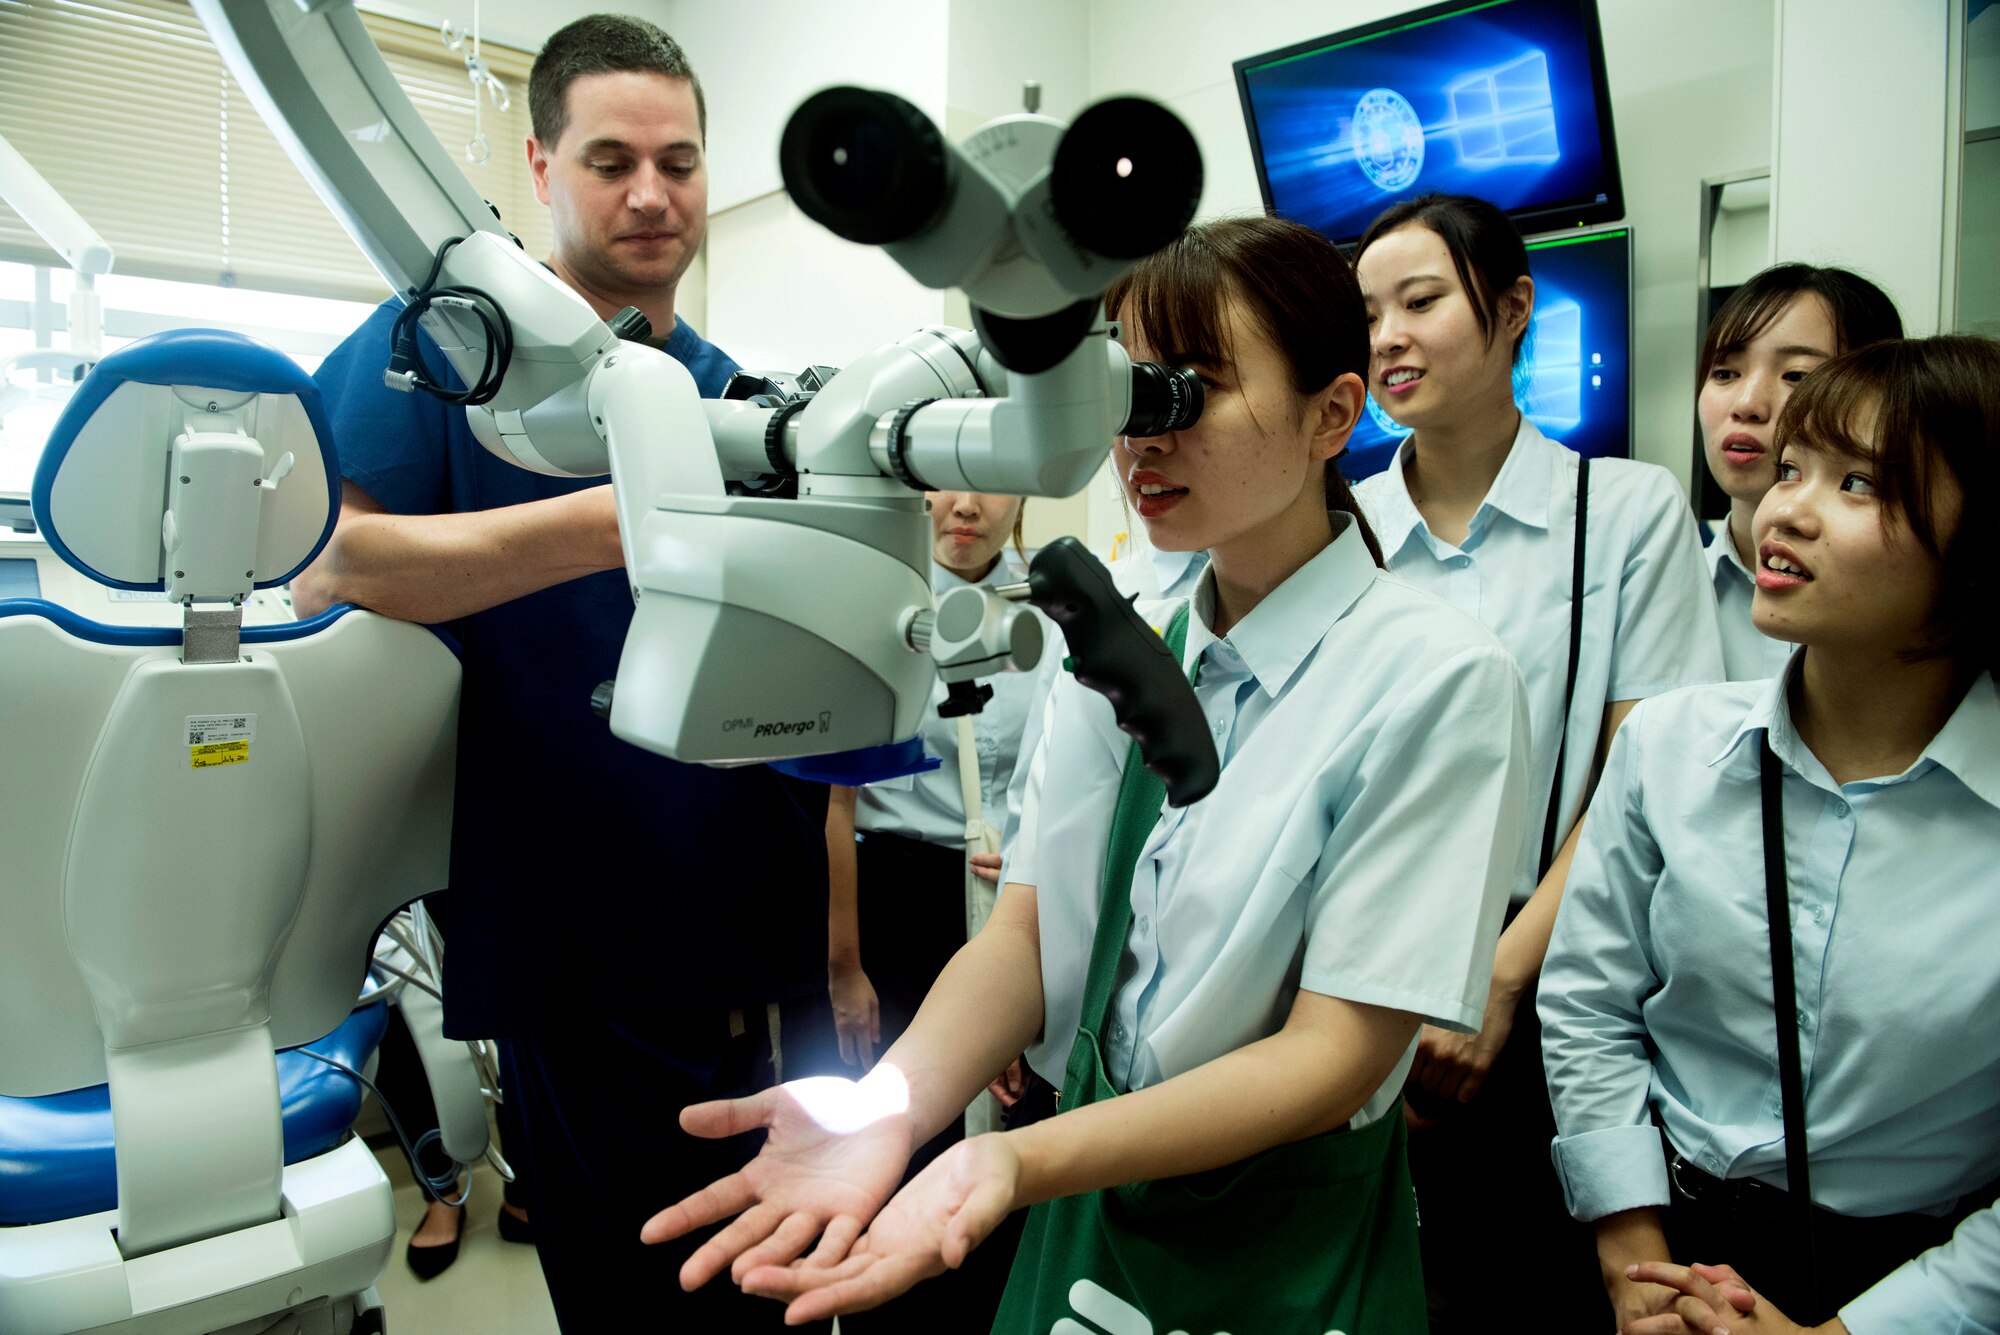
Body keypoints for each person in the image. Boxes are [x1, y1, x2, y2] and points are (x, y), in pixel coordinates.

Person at [640, 215, 1534, 1334]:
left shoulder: (1435, 680)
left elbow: (1331, 1059)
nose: (1137, 441)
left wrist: (1015, 1165)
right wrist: (889, 1111)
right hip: (1091, 1183)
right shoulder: (1121, 637)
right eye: (1123, 397)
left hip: (1274, 1220)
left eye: (1188, 392)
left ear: (1331, 413)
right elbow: (1025, 935)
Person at [291, 16, 832, 1329]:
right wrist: (607, 520)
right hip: (578, 925)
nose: (653, 192)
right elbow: (330, 560)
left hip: (753, 931)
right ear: (541, 167)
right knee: (643, 1288)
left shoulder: (726, 388)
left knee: (775, 1282)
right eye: (611, 160)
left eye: (681, 161)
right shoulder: (445, 348)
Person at [1540, 334, 2000, 1334]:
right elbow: (1587, 1002)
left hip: (1906, 1281)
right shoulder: (1670, 746)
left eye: (1857, 484)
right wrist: (1633, 1268)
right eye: (1791, 469)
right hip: (1646, 1239)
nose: (1785, 508)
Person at [1349, 192, 1724, 1328]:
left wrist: (1500, 976)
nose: (1386, 339)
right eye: (1367, 313)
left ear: (1513, 309)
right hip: (1352, 981)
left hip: (1545, 981)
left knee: (1518, 1294)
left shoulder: (1621, 511)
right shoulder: (1343, 527)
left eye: (1419, 301)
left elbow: (1638, 779)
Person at [820, 488, 1053, 1330]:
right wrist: (846, 968)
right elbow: (838, 805)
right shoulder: (876, 606)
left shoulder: (1055, 610)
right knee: (901, 1131)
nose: (965, 503)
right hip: (900, 903)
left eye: (989, 478)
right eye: (946, 478)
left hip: (1016, 901)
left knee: (1007, 1141)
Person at [1694, 264, 1901, 680]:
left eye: (1797, 376)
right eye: (1725, 373)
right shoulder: (1666, 592)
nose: (1748, 403)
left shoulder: (1904, 615)